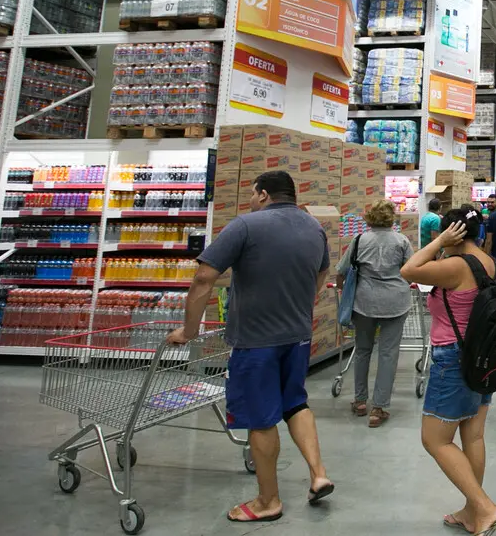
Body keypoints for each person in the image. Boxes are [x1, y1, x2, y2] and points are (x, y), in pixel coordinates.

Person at [166, 171, 334, 523]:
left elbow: (203, 277)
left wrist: (190, 330)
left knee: (260, 420)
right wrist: (303, 306)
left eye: (252, 193)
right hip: (298, 337)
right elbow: (322, 273)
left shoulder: (246, 226)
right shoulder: (313, 228)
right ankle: (318, 474)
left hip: (256, 342)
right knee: (295, 403)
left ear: (262, 194)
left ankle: (267, 501)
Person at [401, 209, 496, 536]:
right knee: (472, 435)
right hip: (484, 356)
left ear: (454, 233)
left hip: (454, 359)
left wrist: (439, 243)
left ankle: (485, 507)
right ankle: (472, 510)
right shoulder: (491, 263)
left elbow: (408, 270)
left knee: (434, 439)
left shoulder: (455, 266)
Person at [336, 199, 414, 428]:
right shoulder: (401, 241)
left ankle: (360, 401)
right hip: (395, 302)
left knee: (362, 350)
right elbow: (411, 271)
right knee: (388, 354)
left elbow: (341, 271)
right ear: (392, 218)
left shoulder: (359, 240)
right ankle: (378, 408)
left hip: (364, 302)